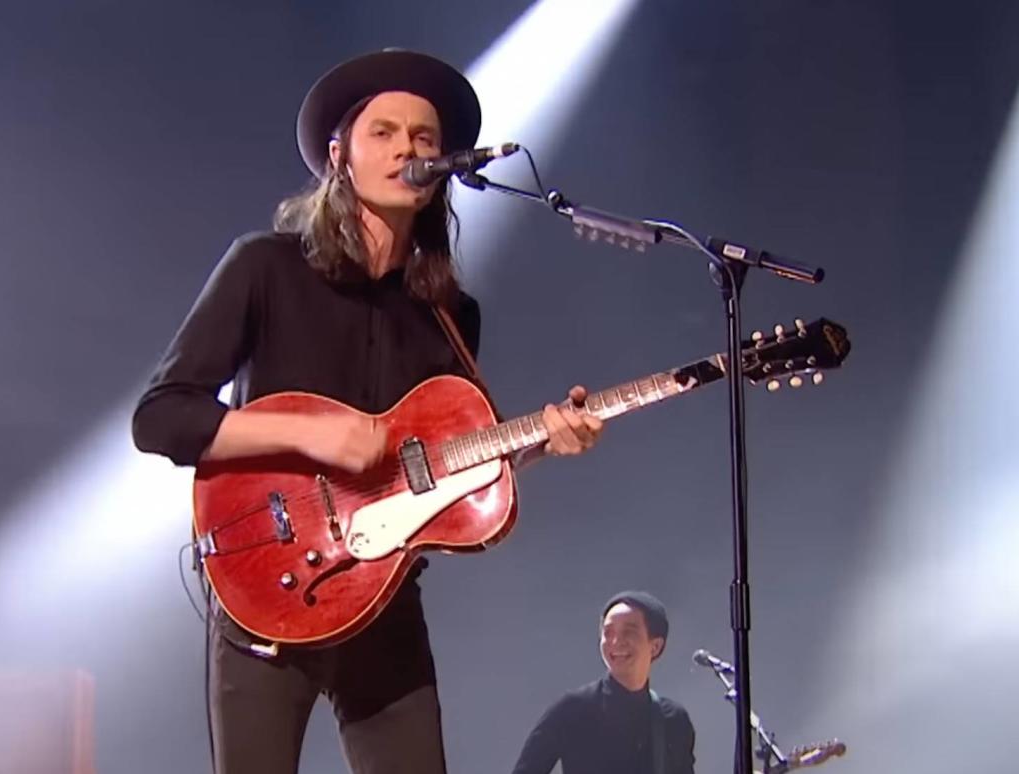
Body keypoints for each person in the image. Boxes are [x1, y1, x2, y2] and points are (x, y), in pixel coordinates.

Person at [131, 48, 604, 774]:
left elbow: (445, 467)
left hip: (384, 598)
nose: (407, 149)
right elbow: (161, 419)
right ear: (338, 155)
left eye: (422, 138)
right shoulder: (265, 266)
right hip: (270, 581)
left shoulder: (447, 314)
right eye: (383, 132)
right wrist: (314, 434)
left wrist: (540, 443)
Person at [511, 591, 696, 774]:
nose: (616, 641)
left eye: (628, 632)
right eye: (608, 633)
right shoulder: (573, 709)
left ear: (655, 646)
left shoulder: (673, 720)